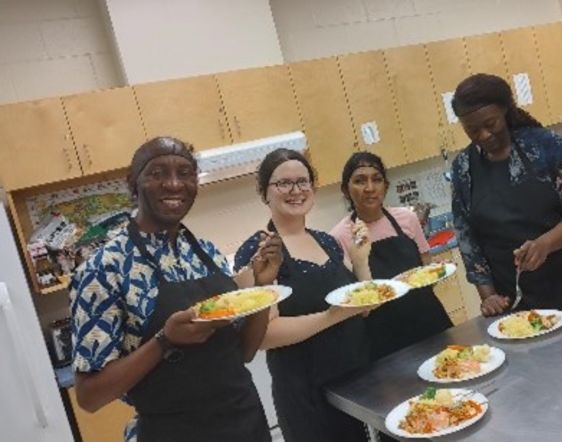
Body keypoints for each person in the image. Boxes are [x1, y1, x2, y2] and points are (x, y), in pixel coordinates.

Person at [70, 137, 280, 442]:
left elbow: (243, 353)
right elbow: (89, 396)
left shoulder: (206, 252)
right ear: (133, 184)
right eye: (157, 173)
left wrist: (262, 287)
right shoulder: (103, 269)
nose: (173, 184)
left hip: (245, 423)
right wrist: (164, 341)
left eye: (185, 173)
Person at [233, 148, 371, 442]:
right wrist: (331, 316)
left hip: (352, 384)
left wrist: (360, 261)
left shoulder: (327, 241)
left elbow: (362, 307)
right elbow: (265, 335)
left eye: (303, 181)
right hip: (305, 395)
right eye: (284, 183)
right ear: (264, 192)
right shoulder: (259, 251)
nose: (296, 190)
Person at [450, 73, 562, 319]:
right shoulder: (463, 168)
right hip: (508, 293)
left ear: (505, 110)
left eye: (490, 124)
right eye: (472, 129)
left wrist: (544, 244)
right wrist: (489, 296)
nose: (484, 135)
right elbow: (467, 238)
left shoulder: (546, 146)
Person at [331, 152, 452, 361]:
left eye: (377, 179)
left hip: (429, 321)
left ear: (385, 186)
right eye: (360, 180)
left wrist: (438, 271)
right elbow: (355, 300)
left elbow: (426, 270)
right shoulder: (339, 237)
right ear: (345, 189)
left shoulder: (407, 218)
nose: (370, 188)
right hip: (382, 337)